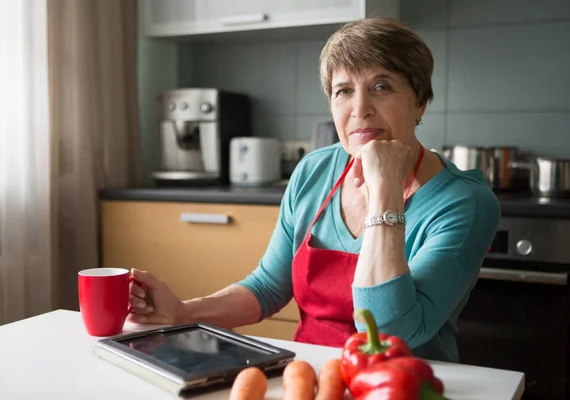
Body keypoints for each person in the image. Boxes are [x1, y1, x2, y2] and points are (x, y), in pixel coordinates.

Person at [126, 17, 500, 363]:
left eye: (381, 87)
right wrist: (182, 312)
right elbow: (269, 287)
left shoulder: (463, 202)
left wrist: (384, 187)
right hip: (309, 375)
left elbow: (390, 332)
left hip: (401, 384)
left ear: (420, 101)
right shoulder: (314, 171)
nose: (360, 108)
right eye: (343, 91)